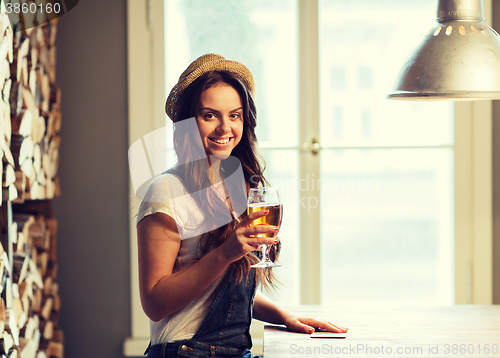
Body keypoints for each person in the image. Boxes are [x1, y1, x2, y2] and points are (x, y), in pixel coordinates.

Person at [136, 54, 347, 358]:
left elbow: (219, 289)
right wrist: (225, 253)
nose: (225, 127)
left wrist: (284, 316)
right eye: (210, 115)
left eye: (234, 115)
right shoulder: (166, 191)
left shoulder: (238, 185)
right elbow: (154, 304)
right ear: (187, 123)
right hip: (183, 352)